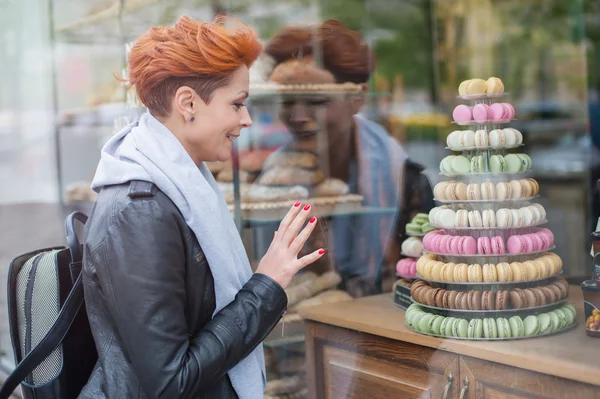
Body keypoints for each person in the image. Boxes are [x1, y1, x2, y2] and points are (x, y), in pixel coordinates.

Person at [78, 16, 325, 399]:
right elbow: (171, 381)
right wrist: (267, 284)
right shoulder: (140, 213)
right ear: (188, 103)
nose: (245, 120)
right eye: (237, 104)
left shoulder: (183, 186)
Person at [258, 20, 435, 295]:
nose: (298, 117)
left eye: (316, 102)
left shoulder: (404, 181)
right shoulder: (270, 180)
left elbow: (425, 283)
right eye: (288, 100)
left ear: (357, 98)